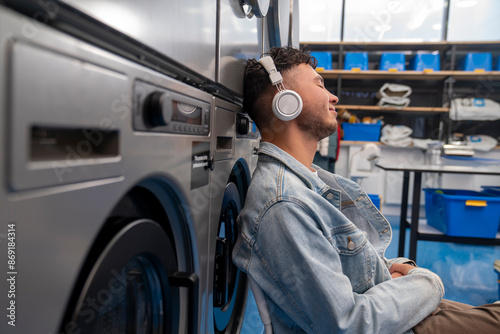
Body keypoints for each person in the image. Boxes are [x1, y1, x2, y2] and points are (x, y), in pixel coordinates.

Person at [232, 46, 500, 333]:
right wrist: (425, 280)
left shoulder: (310, 184)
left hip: (395, 308)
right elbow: (350, 324)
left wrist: (403, 271)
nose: (333, 96)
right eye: (319, 84)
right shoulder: (285, 205)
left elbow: (357, 267)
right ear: (286, 102)